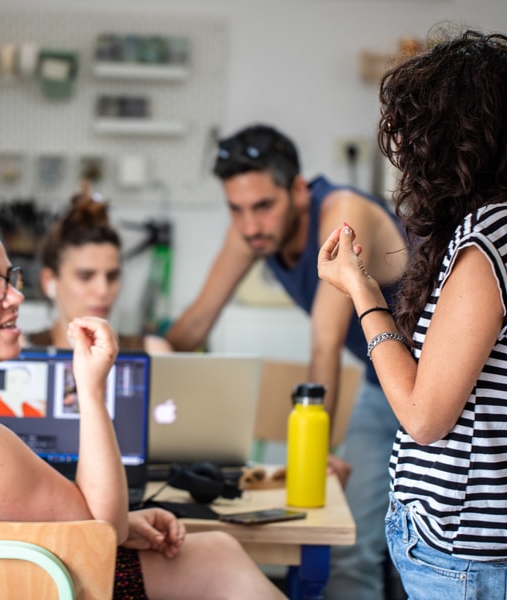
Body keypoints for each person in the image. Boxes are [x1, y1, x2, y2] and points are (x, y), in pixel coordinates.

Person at [0, 200, 285, 600]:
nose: (14, 296)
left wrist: (123, 524)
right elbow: (98, 536)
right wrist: (89, 389)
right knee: (217, 557)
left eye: (10, 277)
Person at [317, 28, 507, 599]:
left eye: (415, 133)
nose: (406, 154)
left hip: (472, 560)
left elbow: (423, 417)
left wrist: (362, 291)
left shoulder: (492, 238)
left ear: (455, 139)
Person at [164, 124, 408, 598]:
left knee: (375, 545)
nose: (250, 225)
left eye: (262, 206)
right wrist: (136, 365)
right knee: (350, 546)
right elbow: (196, 322)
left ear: (297, 189)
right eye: (236, 209)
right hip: (385, 387)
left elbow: (324, 342)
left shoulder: (342, 215)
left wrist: (319, 458)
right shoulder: (255, 232)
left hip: (449, 388)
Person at [26, 182, 172, 353]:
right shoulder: (20, 352)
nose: (103, 291)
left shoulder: (151, 353)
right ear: (49, 280)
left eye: (112, 276)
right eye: (85, 276)